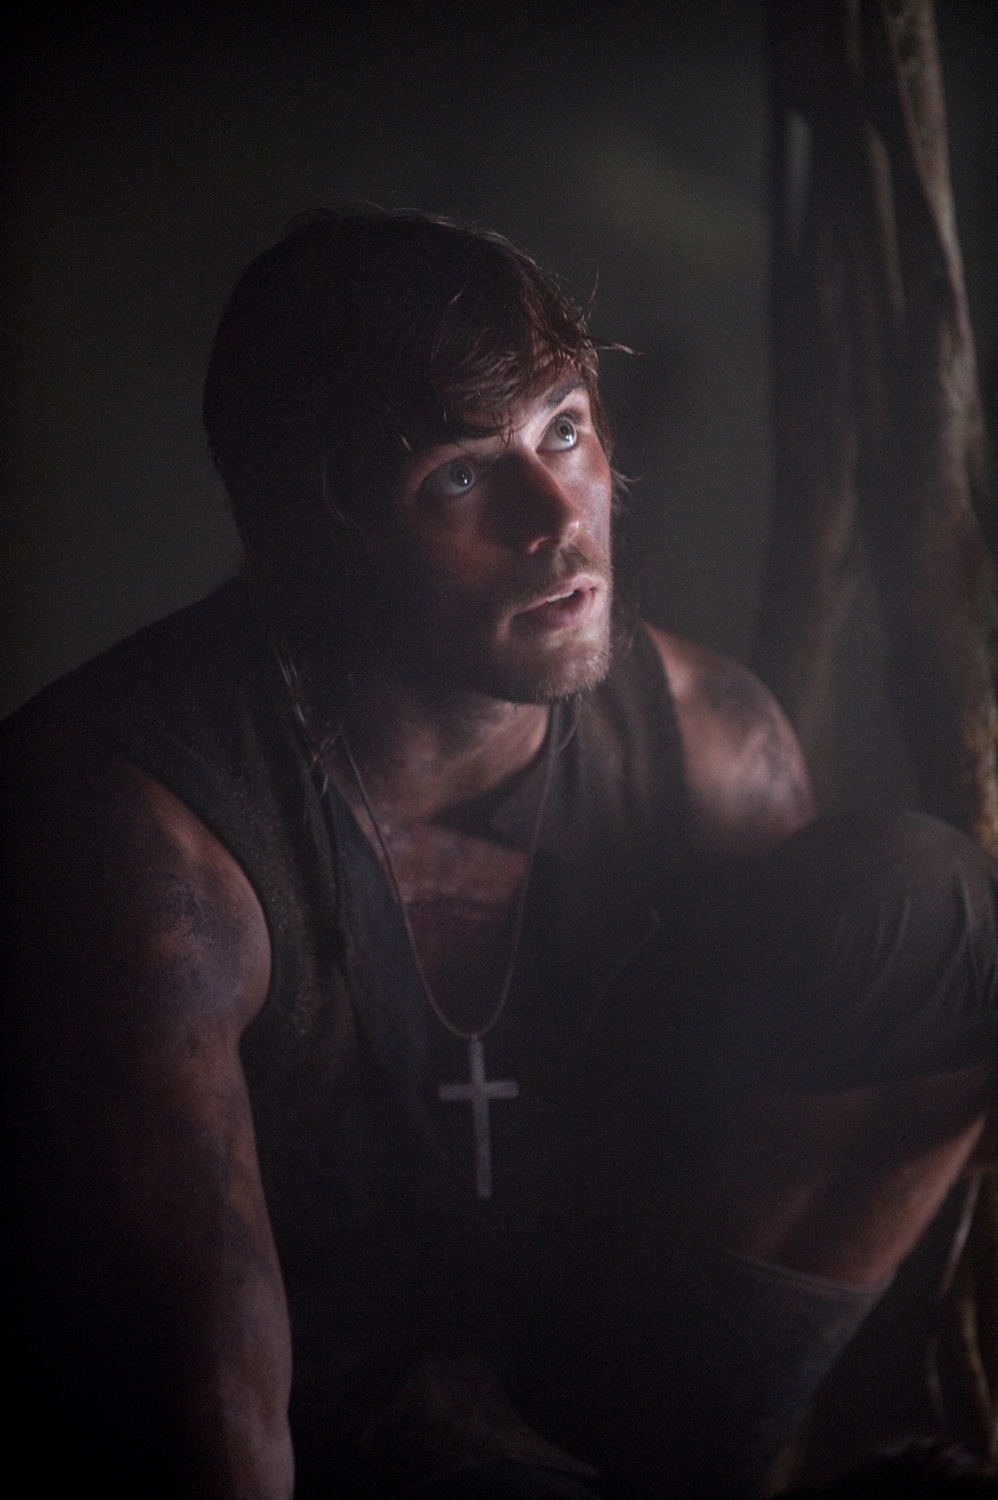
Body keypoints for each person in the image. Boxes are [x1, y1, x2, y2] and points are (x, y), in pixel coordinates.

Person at [3, 210, 996, 1500]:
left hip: (600, 1369)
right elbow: (211, 1398)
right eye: (461, 478)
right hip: (339, 1415)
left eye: (564, 431)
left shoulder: (710, 738)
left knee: (925, 909)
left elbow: (784, 1140)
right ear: (306, 535)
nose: (557, 516)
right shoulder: (144, 836)